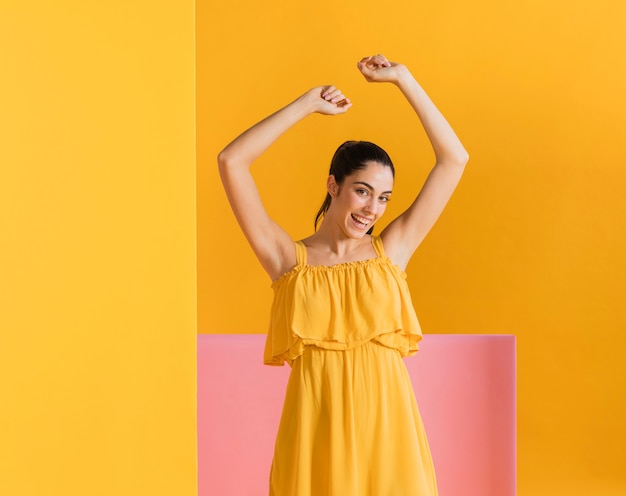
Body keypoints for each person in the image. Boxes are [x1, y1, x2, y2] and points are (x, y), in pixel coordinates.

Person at [218, 54, 468, 495]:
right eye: (362, 191)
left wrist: (403, 79)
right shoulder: (287, 261)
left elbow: (454, 159)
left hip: (390, 437)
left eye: (383, 198)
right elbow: (231, 161)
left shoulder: (392, 249)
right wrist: (305, 105)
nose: (372, 209)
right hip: (316, 437)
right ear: (333, 185)